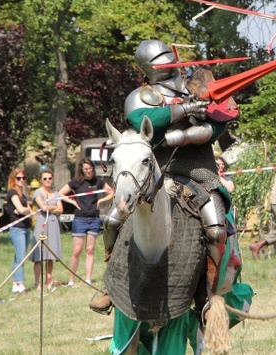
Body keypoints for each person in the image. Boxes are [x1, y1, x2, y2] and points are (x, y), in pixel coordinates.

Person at [93, 39, 237, 317]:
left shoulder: (198, 84)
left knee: (216, 228)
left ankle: (208, 295)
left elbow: (218, 125)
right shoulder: (140, 95)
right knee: (112, 219)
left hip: (198, 169)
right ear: (147, 68)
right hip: (154, 170)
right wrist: (184, 110)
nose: (165, 63)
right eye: (158, 60)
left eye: (166, 57)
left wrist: (184, 134)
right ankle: (110, 286)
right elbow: (143, 120)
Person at [58, 158, 113, 287]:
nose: (89, 171)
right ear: (82, 170)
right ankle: (71, 279)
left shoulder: (98, 182)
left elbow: (111, 192)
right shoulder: (76, 182)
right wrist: (72, 202)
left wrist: (100, 201)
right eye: (86, 169)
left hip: (94, 219)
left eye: (91, 169)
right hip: (80, 219)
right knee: (76, 251)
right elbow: (60, 193)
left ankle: (88, 278)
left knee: (90, 250)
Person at [30, 169, 63, 291]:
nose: (48, 180)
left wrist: (51, 207)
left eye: (50, 178)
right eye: (45, 178)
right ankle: (37, 282)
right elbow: (43, 208)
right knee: (39, 255)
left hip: (53, 224)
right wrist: (53, 207)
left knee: (50, 254)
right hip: (42, 224)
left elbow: (61, 209)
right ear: (41, 180)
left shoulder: (56, 193)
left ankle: (48, 279)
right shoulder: (38, 193)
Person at [5, 168, 32, 294]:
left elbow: (22, 210)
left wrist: (25, 209)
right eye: (18, 178)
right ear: (13, 179)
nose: (21, 180)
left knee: (18, 257)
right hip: (17, 229)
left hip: (25, 227)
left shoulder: (21, 193)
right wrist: (28, 209)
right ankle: (21, 284)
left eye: (23, 178)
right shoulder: (13, 192)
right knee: (21, 257)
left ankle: (15, 283)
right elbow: (21, 210)